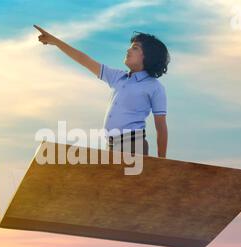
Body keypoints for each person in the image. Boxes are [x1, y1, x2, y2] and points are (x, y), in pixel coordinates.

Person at [34, 25, 170, 157]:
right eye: (129, 47)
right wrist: (56, 42)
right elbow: (84, 59)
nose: (128, 50)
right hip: (110, 146)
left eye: (135, 48)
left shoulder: (154, 87)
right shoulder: (118, 77)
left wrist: (162, 162)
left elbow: (161, 127)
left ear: (148, 56)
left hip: (133, 145)